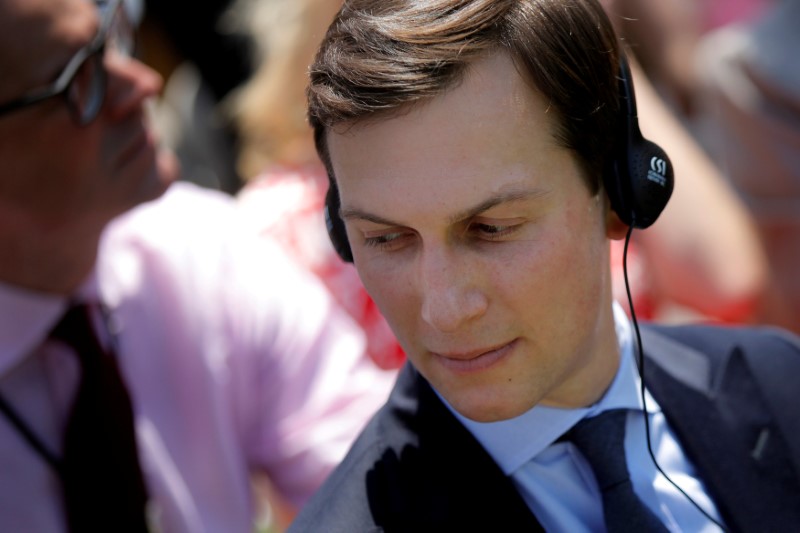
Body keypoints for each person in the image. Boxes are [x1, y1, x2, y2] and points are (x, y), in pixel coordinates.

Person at [289, 0, 800, 531]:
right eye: (386, 239)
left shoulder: (780, 383)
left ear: (618, 189)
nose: (444, 310)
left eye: (493, 228)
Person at [0, 0, 393, 531]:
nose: (141, 82)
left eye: (113, 37)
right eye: (78, 81)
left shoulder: (199, 251)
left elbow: (381, 470)